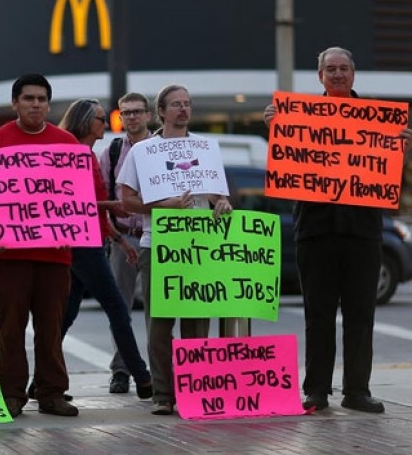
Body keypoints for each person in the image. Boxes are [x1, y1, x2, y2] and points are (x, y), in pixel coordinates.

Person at [264, 47, 412, 414]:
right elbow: (287, 165)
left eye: (344, 68)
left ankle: (357, 391)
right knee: (319, 314)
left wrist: (402, 151)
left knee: (361, 314)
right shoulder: (300, 119)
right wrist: (276, 130)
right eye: (331, 69)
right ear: (320, 77)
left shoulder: (377, 120)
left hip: (362, 231)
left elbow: (390, 174)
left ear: (354, 74)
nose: (338, 74)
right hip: (315, 230)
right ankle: (316, 391)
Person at [119, 84, 232, 415]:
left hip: (198, 244)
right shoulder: (144, 151)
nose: (183, 109)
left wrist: (222, 201)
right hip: (158, 244)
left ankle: (194, 391)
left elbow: (217, 194)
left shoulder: (206, 148)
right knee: (160, 322)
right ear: (162, 112)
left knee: (197, 320)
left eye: (188, 104)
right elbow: (126, 201)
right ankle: (163, 394)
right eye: (176, 105)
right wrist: (163, 205)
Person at [0, 74, 78, 418]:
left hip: (56, 253)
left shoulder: (67, 144)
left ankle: (52, 393)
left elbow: (84, 197)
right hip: (8, 254)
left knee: (51, 326)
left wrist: (74, 228)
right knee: (11, 325)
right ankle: (10, 394)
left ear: (48, 105)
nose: (36, 104)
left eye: (41, 99)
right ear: (15, 103)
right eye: (29, 98)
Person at [54, 98, 153, 399]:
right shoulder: (73, 154)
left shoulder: (87, 154)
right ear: (85, 121)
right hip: (83, 245)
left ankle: (44, 380)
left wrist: (120, 240)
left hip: (93, 240)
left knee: (67, 316)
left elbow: (92, 209)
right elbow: (76, 203)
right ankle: (141, 376)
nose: (105, 124)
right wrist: (114, 206)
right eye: (100, 118)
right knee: (117, 309)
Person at [98, 92, 153, 393]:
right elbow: (104, 198)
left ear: (148, 115)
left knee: (158, 308)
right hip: (124, 238)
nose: (131, 117)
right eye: (126, 112)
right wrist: (116, 239)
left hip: (157, 236)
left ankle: (159, 369)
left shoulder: (160, 149)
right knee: (120, 306)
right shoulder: (114, 150)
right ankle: (122, 370)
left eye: (137, 112)